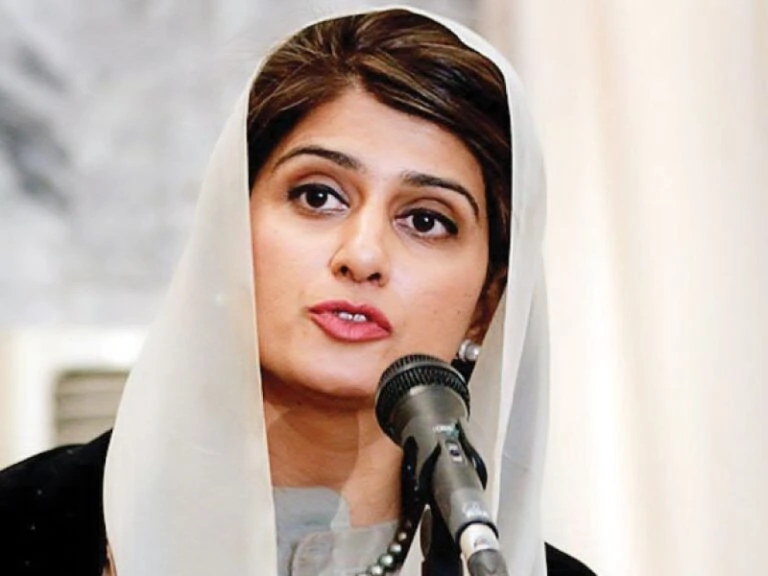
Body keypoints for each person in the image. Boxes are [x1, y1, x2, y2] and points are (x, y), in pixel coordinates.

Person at [0, 6, 596, 576]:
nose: (363, 256)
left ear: (486, 306)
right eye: (318, 196)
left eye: (426, 220)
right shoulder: (23, 525)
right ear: (228, 229)